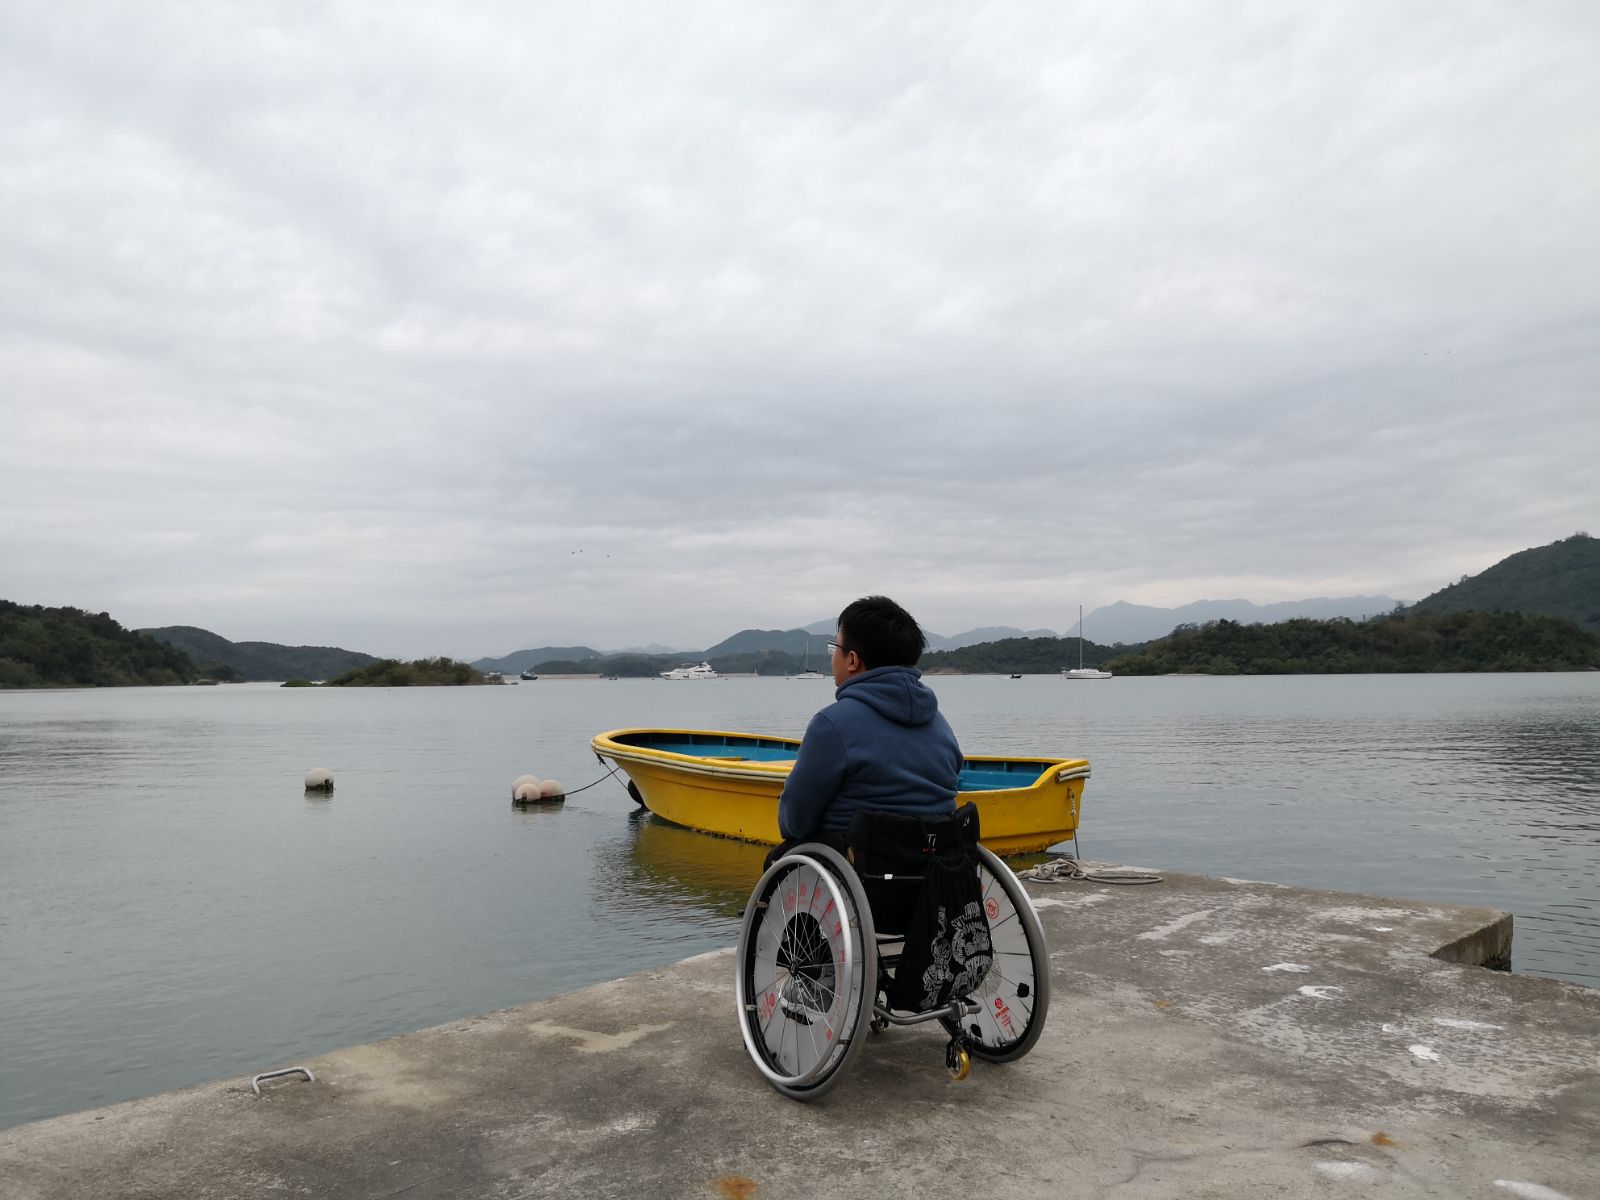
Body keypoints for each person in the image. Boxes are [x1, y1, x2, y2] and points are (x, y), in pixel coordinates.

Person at [776, 595, 962, 843]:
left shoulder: (832, 725)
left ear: (852, 660)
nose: (832, 657)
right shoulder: (940, 724)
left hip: (854, 860)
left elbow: (794, 822)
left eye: (834, 648)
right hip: (936, 859)